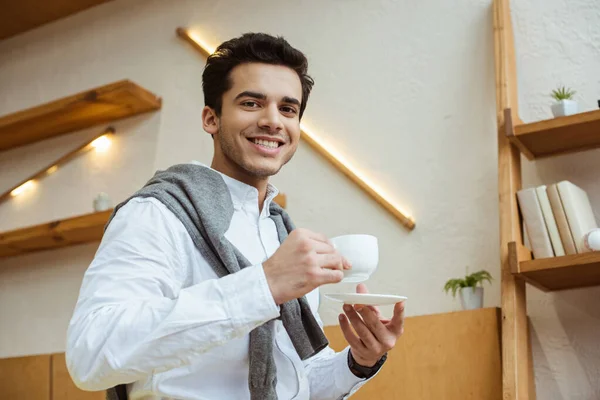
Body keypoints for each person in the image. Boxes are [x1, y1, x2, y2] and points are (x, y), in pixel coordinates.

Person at [66, 32, 405, 400]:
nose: (273, 121)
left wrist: (359, 361)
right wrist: (262, 286)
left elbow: (292, 385)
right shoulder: (156, 214)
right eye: (251, 103)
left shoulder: (279, 234)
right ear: (211, 118)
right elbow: (91, 353)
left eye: (288, 109)